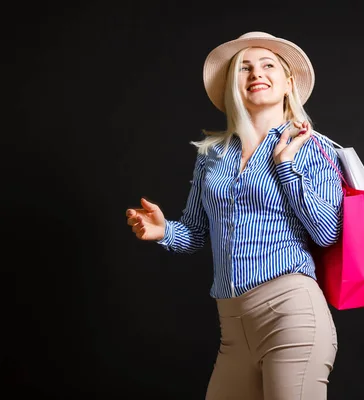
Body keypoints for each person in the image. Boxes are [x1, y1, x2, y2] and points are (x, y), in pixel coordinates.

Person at [125, 31, 343, 400]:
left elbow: (327, 232)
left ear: (288, 83)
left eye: (267, 65)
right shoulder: (212, 155)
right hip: (232, 326)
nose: (255, 73)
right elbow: (195, 234)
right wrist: (163, 232)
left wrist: (285, 164)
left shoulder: (313, 148)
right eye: (244, 68)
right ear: (232, 86)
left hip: (291, 313)